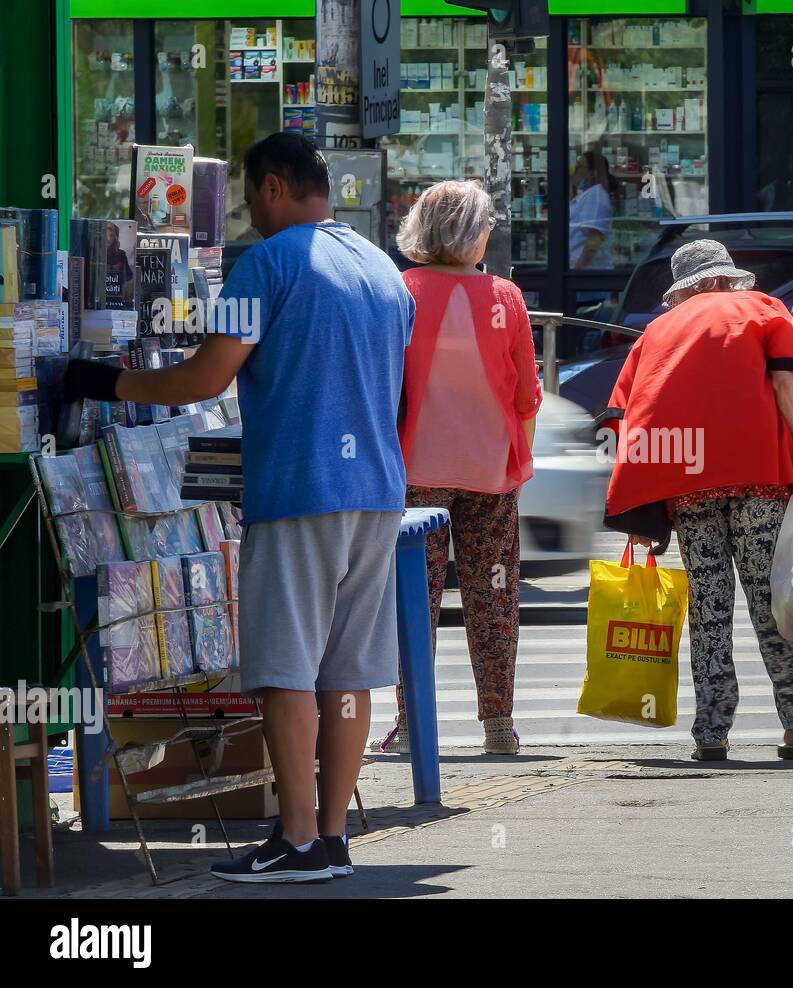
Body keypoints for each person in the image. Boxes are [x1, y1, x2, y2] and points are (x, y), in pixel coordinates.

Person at [63, 132, 414, 882]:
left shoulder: (266, 264)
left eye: (254, 195)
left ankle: (293, 841)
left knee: (286, 669)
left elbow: (202, 378)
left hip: (300, 489)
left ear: (276, 187)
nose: (251, 211)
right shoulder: (385, 268)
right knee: (348, 673)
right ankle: (331, 838)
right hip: (378, 490)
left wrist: (104, 385)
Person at [603, 239, 793, 762]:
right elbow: (789, 386)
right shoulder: (762, 309)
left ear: (685, 288)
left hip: (688, 486)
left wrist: (639, 503)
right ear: (724, 278)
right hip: (759, 479)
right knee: (772, 602)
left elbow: (628, 416)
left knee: (709, 607)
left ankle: (711, 732)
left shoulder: (656, 332)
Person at [379, 180, 541, 757]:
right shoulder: (506, 298)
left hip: (414, 472)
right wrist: (520, 460)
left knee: (412, 602)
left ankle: (410, 725)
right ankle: (499, 724)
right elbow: (527, 396)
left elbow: (382, 388)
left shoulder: (399, 292)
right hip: (491, 471)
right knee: (494, 597)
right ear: (472, 233)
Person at [569, 150, 615, 272]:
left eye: (579, 166)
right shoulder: (587, 195)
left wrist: (577, 269)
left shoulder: (596, 196)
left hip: (586, 271)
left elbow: (594, 237)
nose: (574, 171)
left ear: (592, 173)